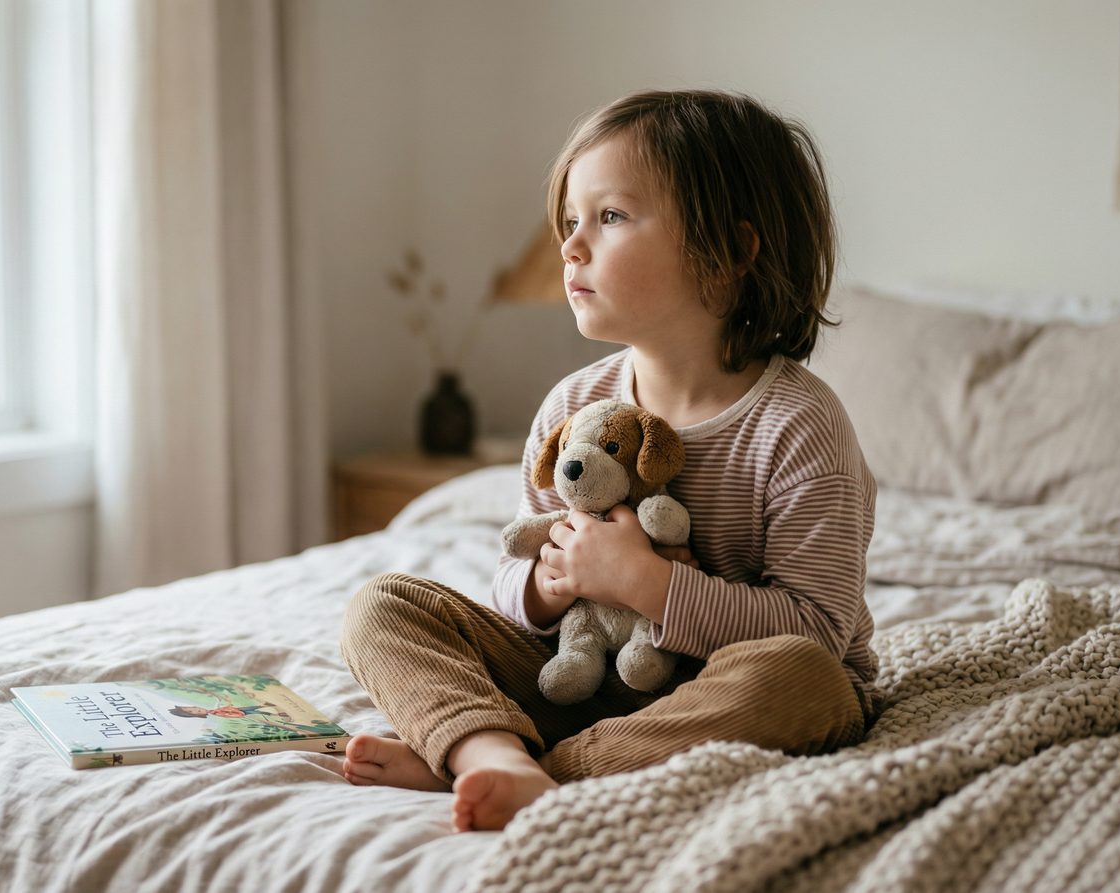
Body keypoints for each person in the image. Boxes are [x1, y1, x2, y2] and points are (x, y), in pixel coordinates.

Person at [339, 88, 879, 834]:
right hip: (582, 672)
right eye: (570, 222)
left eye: (611, 217)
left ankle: (527, 766)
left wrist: (645, 582)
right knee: (385, 605)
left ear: (731, 254)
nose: (570, 246)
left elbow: (816, 630)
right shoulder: (574, 404)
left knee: (805, 680)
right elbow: (514, 573)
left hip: (722, 694)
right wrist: (551, 584)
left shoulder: (799, 424)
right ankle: (493, 749)